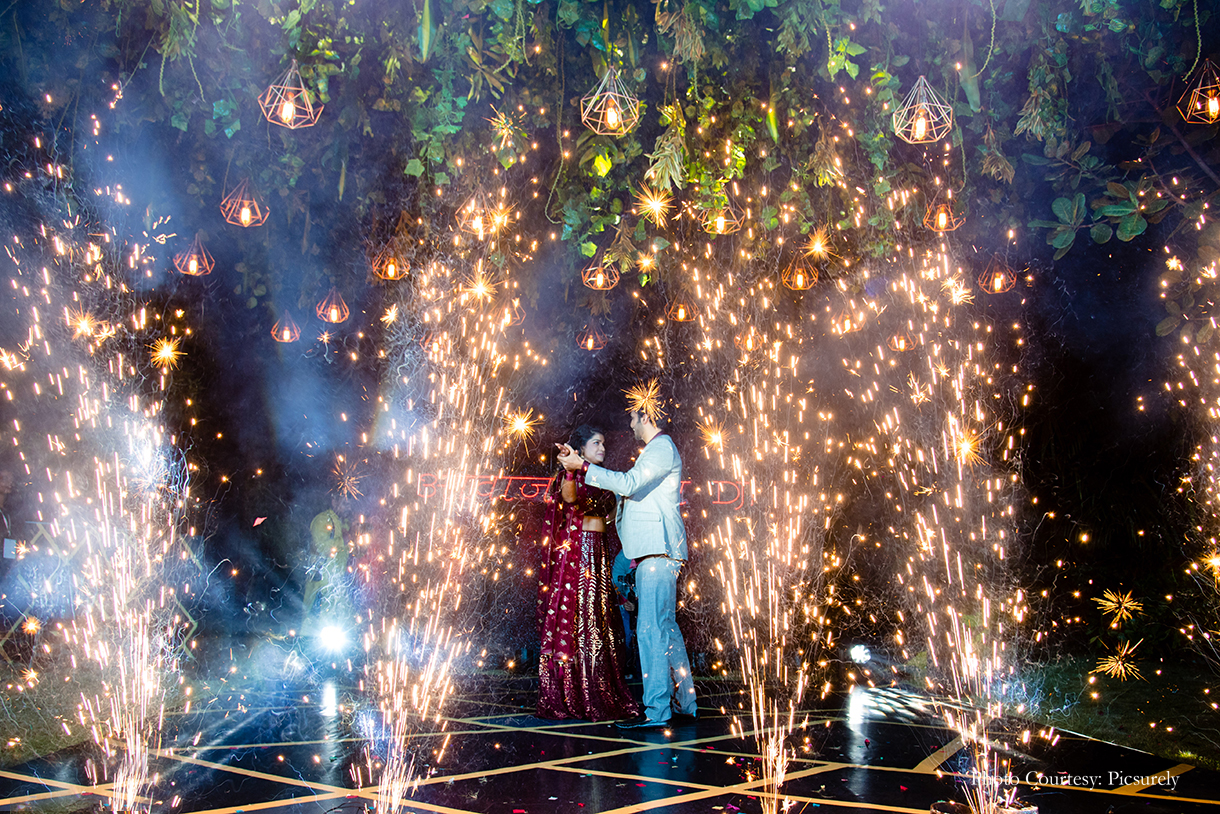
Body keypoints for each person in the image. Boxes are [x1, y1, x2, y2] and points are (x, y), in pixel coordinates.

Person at [558, 404, 697, 729]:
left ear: (645, 417)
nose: (630, 424)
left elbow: (631, 484)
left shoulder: (661, 448)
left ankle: (657, 711)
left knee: (650, 631)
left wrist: (584, 467)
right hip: (656, 550)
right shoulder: (657, 450)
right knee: (665, 629)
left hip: (657, 550)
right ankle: (685, 702)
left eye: (633, 418)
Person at [536, 425, 639, 720]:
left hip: (599, 552)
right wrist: (570, 470)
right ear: (581, 450)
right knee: (580, 616)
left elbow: (610, 513)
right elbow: (569, 499)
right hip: (579, 554)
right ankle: (575, 691)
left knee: (598, 618)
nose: (603, 448)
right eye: (597, 443)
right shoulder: (575, 474)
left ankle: (598, 686)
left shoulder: (601, 477)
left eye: (604, 443)